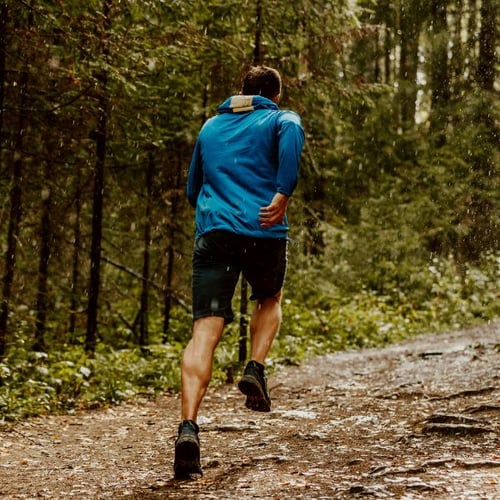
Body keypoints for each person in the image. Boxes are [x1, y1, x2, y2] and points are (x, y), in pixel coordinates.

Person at [174, 65, 305, 479]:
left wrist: (221, 202)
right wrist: (282, 192)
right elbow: (292, 135)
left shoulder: (210, 128)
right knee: (269, 299)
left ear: (243, 92)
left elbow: (193, 190)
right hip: (265, 229)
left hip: (215, 234)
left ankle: (188, 427)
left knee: (204, 331)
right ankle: (255, 367)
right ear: (273, 95)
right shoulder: (282, 119)